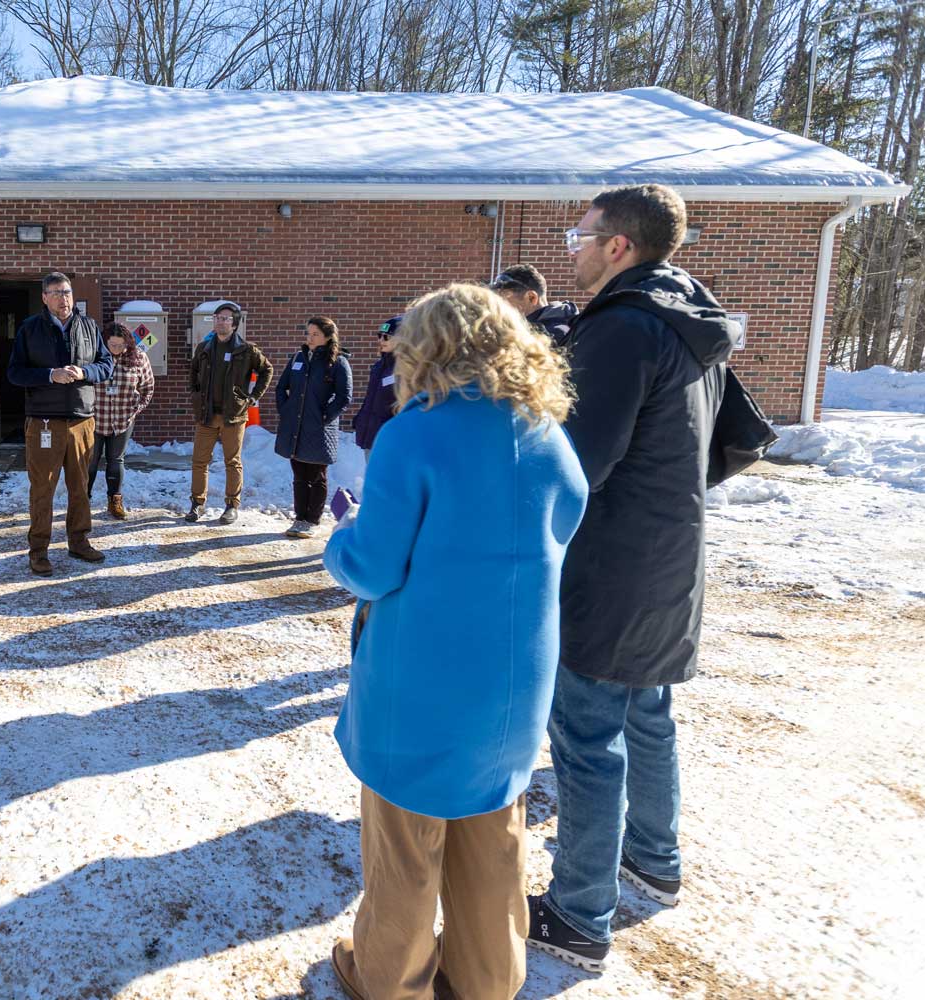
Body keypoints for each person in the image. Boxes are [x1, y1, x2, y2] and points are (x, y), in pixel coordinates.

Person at [324, 283, 588, 1000]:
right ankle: (486, 979)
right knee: (493, 842)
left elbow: (373, 567)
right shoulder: (543, 428)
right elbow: (566, 521)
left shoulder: (417, 430)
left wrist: (343, 535)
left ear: (426, 347)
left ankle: (391, 980)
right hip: (514, 683)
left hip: (421, 681)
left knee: (407, 850)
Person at [529, 184, 737, 974]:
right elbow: (726, 443)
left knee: (587, 738)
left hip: (611, 570)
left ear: (619, 246)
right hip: (668, 560)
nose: (572, 249)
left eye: (580, 235)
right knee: (647, 716)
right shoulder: (690, 325)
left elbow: (577, 463)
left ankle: (579, 915)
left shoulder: (620, 329)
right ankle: (654, 855)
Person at [6, 271, 114, 576]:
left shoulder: (89, 327)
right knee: (43, 489)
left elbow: (106, 366)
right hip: (44, 422)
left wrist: (84, 373)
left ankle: (79, 541)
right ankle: (38, 550)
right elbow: (15, 373)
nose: (62, 298)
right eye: (54, 293)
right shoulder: (30, 329)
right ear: (44, 297)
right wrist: (49, 375)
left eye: (66, 292)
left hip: (82, 420)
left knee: (80, 486)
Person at [184, 301, 273, 525]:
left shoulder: (246, 350)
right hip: (207, 415)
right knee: (199, 461)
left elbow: (267, 370)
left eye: (225, 318)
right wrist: (195, 393)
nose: (220, 321)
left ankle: (231, 506)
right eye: (217, 317)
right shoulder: (204, 348)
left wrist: (253, 398)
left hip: (233, 416)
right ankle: (197, 504)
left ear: (234, 324)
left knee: (232, 462)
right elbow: (193, 372)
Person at [274, 317, 352, 539]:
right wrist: (286, 410)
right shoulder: (298, 358)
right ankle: (299, 517)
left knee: (317, 475)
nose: (309, 338)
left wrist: (325, 416)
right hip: (295, 426)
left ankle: (312, 520)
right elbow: (282, 387)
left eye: (315, 334)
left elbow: (344, 396)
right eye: (308, 333)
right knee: (299, 473)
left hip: (319, 428)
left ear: (328, 337)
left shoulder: (338, 362)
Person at [88, 323, 155, 519]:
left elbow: (148, 387)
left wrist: (136, 408)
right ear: (104, 342)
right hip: (94, 419)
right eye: (113, 345)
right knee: (89, 462)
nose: (117, 349)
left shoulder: (138, 358)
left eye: (121, 345)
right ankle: (83, 500)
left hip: (122, 420)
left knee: (116, 461)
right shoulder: (94, 356)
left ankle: (114, 501)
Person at [351, 315, 402, 464]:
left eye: (386, 337)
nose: (380, 340)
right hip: (372, 436)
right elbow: (371, 398)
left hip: (391, 441)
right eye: (379, 336)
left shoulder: (407, 369)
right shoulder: (379, 367)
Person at [488, 264, 579, 347]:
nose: (497, 305)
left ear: (531, 297)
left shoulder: (553, 336)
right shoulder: (524, 328)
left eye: (503, 298)